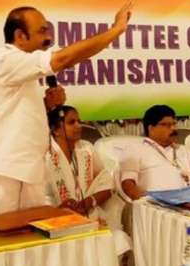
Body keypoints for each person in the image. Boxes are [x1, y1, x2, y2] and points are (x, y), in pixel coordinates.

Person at [0, 3, 133, 217]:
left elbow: (18, 115)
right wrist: (115, 30)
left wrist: (47, 106)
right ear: (20, 36)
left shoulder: (23, 72)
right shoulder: (4, 59)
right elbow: (64, 59)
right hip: (1, 173)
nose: (48, 38)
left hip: (29, 171)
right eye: (42, 31)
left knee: (31, 237)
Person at [44, 105, 130, 256]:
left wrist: (90, 201)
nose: (78, 126)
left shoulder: (86, 148)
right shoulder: (45, 155)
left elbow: (106, 182)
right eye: (71, 122)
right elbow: (41, 198)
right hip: (58, 221)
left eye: (79, 121)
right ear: (56, 130)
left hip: (90, 215)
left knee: (119, 239)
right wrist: (61, 209)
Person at [120, 105, 190, 200]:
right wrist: (146, 203)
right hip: (157, 203)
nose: (173, 128)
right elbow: (128, 184)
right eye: (166, 125)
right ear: (151, 128)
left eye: (174, 124)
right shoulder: (135, 149)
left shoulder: (182, 149)